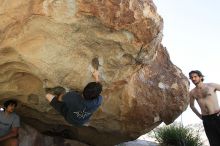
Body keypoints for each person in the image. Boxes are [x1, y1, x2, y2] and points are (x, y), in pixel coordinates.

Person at [189, 70, 220, 146]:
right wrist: (200, 116)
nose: (193, 79)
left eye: (195, 76)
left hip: (217, 116)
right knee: (213, 142)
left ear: (201, 77)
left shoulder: (211, 86)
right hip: (206, 119)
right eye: (191, 77)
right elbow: (192, 106)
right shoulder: (192, 92)